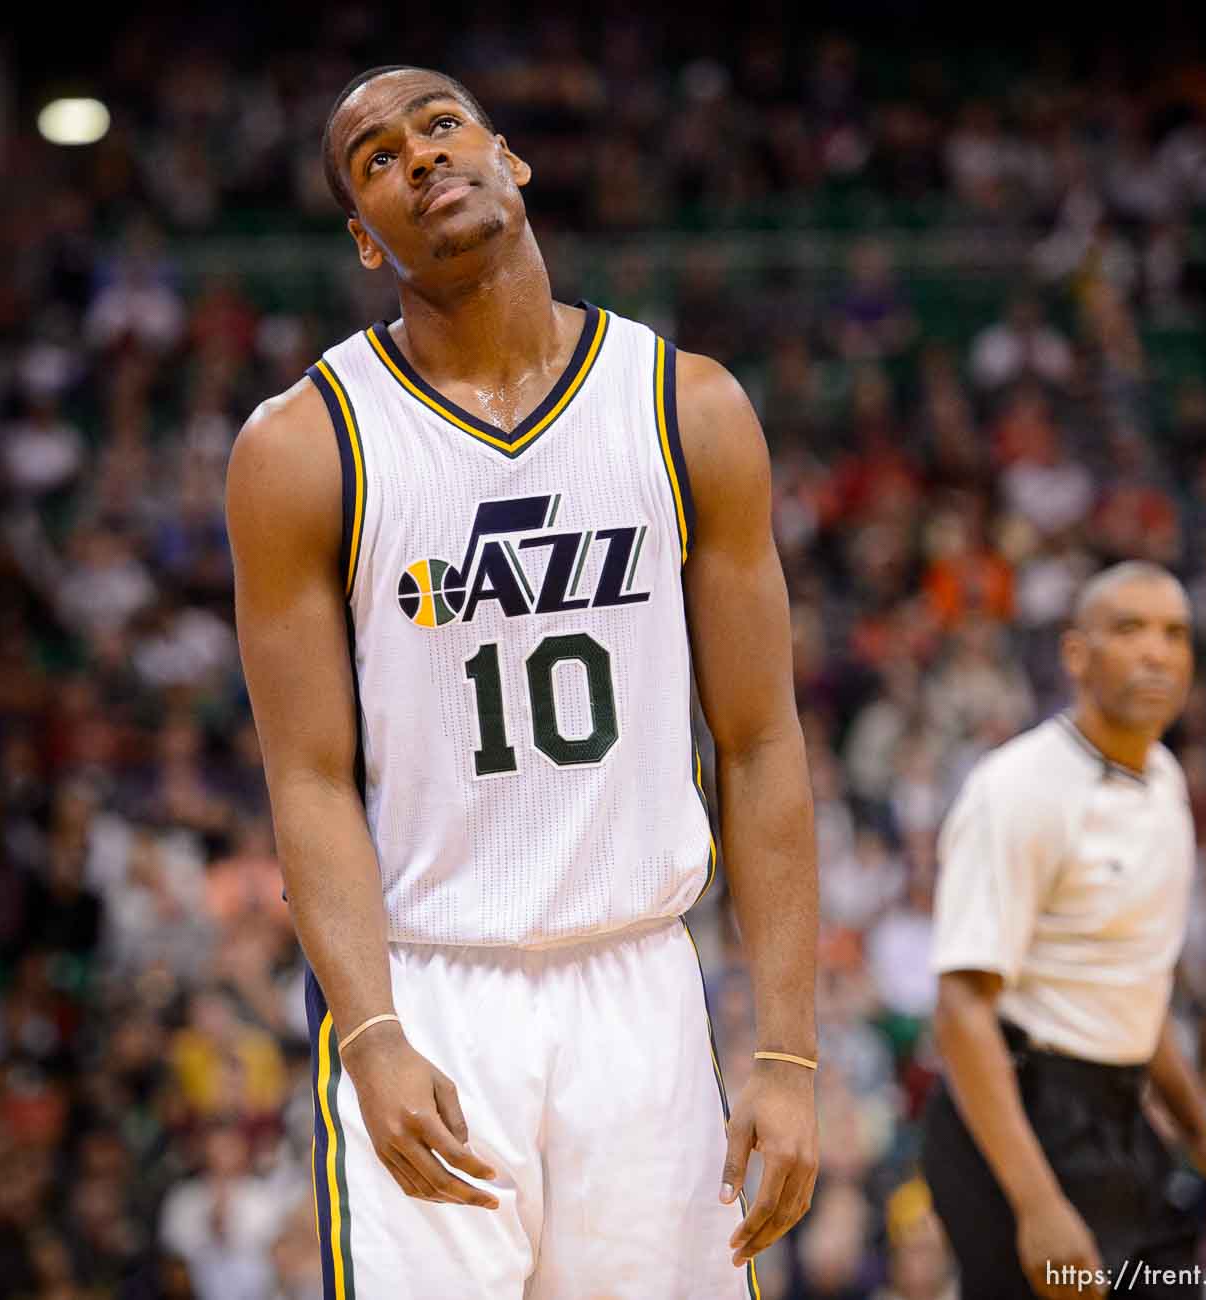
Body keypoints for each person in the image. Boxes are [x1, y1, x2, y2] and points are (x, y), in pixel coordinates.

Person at [225, 64, 819, 1299]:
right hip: (432, 986)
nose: (422, 159)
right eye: (379, 159)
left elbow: (761, 743)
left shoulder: (684, 406)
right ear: (361, 236)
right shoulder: (301, 446)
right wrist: (373, 1034)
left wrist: (790, 1051)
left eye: (441, 127)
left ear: (513, 158)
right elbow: (309, 777)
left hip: (643, 984)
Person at [921, 561, 1206, 1299]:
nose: (1156, 652)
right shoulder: (1015, 790)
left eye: (1174, 633)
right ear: (1077, 655)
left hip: (1120, 1114)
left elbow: (1137, 989)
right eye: (1129, 629)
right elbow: (962, 1010)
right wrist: (1038, 1205)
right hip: (1018, 1116)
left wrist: (1199, 1126)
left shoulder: (1168, 785)